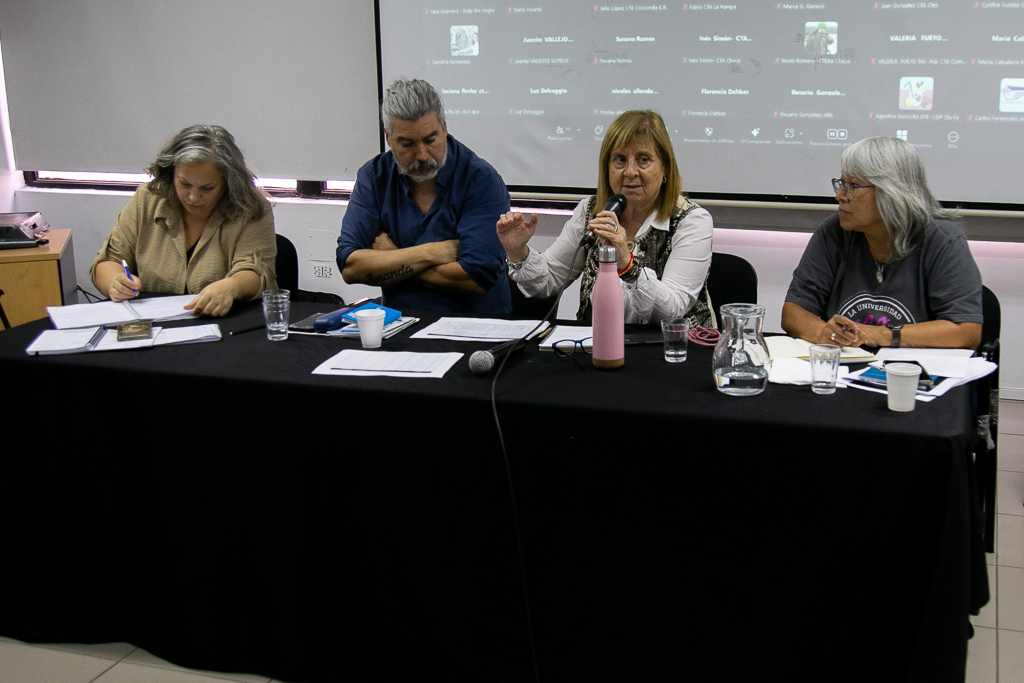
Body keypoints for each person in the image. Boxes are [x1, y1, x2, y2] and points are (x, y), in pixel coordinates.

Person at [497, 110, 715, 326]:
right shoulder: (591, 211)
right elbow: (549, 279)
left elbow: (672, 309)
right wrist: (518, 252)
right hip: (597, 340)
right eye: (620, 160)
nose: (630, 172)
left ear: (665, 167)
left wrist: (626, 263)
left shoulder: (691, 221)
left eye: (643, 160)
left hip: (673, 345)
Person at [782, 136, 982, 349]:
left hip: (912, 368)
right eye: (841, 184)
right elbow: (793, 313)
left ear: (891, 192)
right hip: (846, 365)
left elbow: (966, 331)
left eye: (852, 186)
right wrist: (826, 334)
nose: (840, 196)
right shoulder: (835, 231)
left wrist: (876, 334)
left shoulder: (942, 239)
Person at [336, 78, 510, 315]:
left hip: (472, 328)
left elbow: (476, 278)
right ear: (388, 137)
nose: (422, 155)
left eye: (430, 140)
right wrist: (431, 253)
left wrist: (392, 256)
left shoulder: (481, 180)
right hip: (399, 325)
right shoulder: (374, 176)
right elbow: (350, 267)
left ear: (444, 128)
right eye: (407, 144)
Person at [90, 125, 276, 317]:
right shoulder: (147, 200)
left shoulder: (250, 209)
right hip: (155, 323)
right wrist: (115, 281)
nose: (193, 197)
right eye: (185, 184)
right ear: (171, 173)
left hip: (227, 321)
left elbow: (256, 273)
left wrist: (231, 287)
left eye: (207, 188)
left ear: (228, 183)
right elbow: (109, 260)